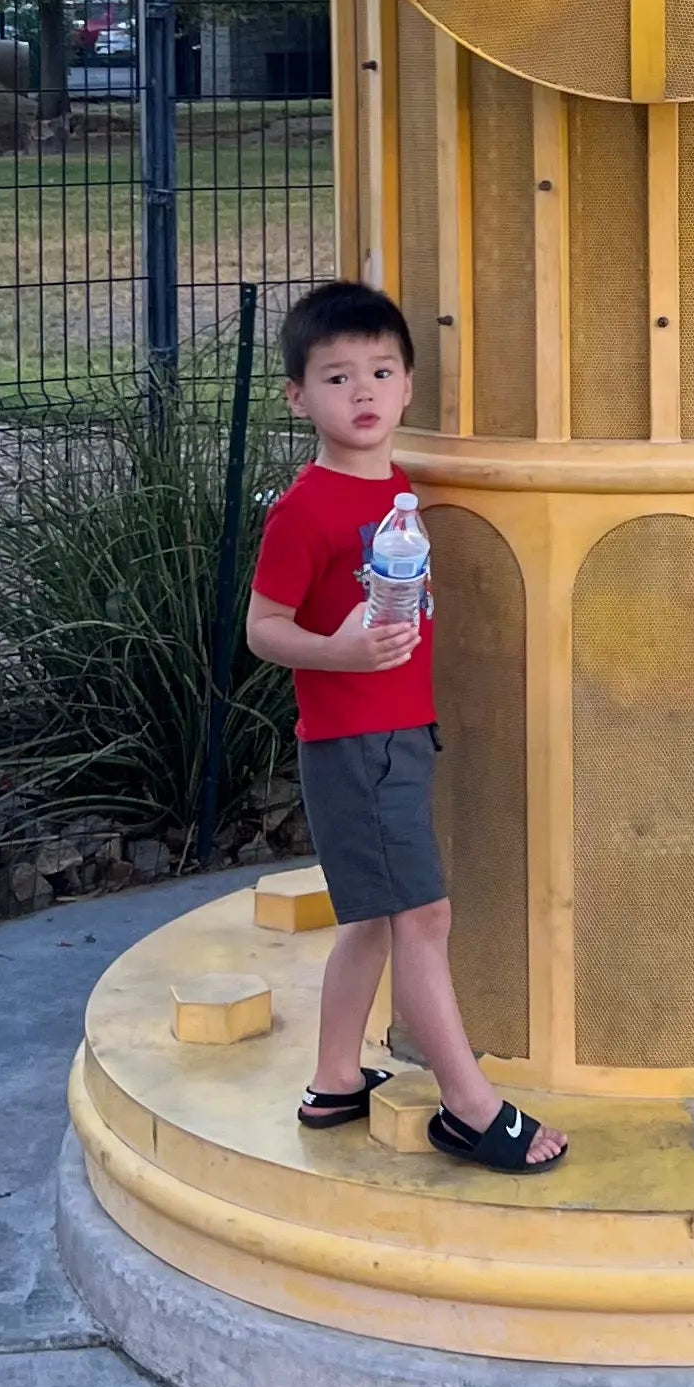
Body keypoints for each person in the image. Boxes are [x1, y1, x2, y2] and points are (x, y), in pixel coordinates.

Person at [244, 281, 565, 1172]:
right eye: (337, 378)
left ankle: (335, 1079)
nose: (364, 393)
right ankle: (469, 1107)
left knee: (373, 923)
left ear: (409, 386)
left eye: (381, 372)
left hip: (396, 738)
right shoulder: (305, 509)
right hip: (356, 746)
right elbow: (262, 629)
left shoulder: (395, 490)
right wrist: (338, 651)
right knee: (423, 918)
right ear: (297, 397)